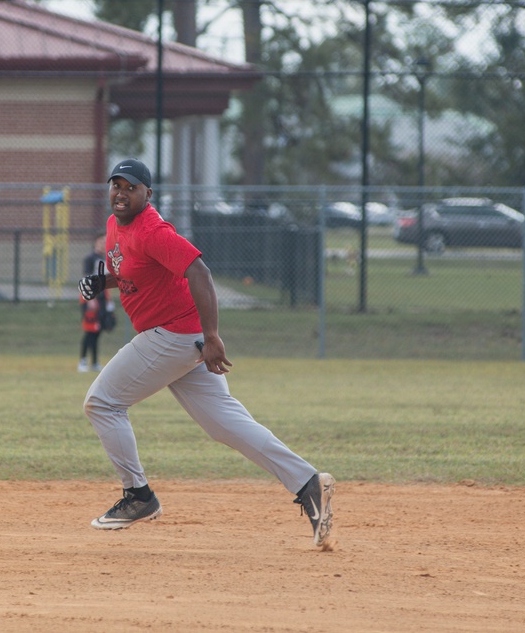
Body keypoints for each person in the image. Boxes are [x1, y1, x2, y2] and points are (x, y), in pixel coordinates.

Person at [77, 158, 334, 548]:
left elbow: (199, 271)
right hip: (180, 338)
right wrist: (105, 282)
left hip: (173, 335)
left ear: (148, 194)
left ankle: (138, 496)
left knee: (102, 402)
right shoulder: (116, 226)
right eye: (116, 184)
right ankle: (308, 483)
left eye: (131, 187)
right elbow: (138, 271)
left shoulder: (152, 230)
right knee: (225, 424)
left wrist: (212, 336)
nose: (121, 192)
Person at [78, 235, 110, 372]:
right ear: (96, 242)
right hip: (91, 298)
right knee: (90, 330)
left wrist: (108, 301)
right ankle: (83, 361)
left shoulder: (106, 259)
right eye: (102, 241)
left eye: (105, 241)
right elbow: (86, 279)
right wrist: (90, 299)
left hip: (102, 298)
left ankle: (95, 362)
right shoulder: (90, 259)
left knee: (98, 331)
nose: (104, 244)